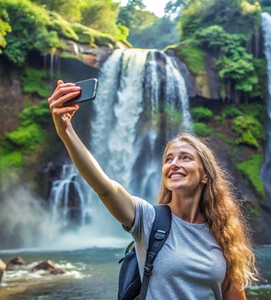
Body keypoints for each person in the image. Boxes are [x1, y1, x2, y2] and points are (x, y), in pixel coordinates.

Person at [48, 80, 259, 299]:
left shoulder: (222, 235)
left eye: (185, 157)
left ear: (205, 175)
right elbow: (105, 188)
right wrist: (66, 132)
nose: (174, 163)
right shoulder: (148, 220)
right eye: (168, 159)